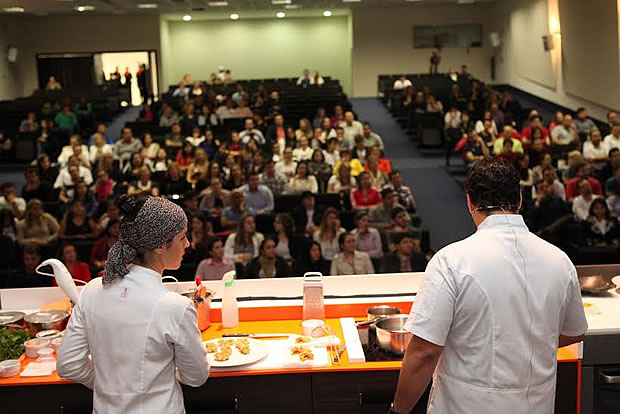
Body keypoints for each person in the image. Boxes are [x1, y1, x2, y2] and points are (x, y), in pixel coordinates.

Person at [391, 157, 587, 414]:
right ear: (519, 199)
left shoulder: (452, 261)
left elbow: (424, 352)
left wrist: (398, 410)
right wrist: (524, 341)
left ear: (470, 202)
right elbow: (574, 332)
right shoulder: (559, 261)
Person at [57, 195, 210, 412]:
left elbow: (69, 365)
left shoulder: (91, 291)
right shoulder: (175, 307)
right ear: (158, 245)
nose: (188, 244)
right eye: (182, 237)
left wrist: (110, 386)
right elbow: (196, 376)